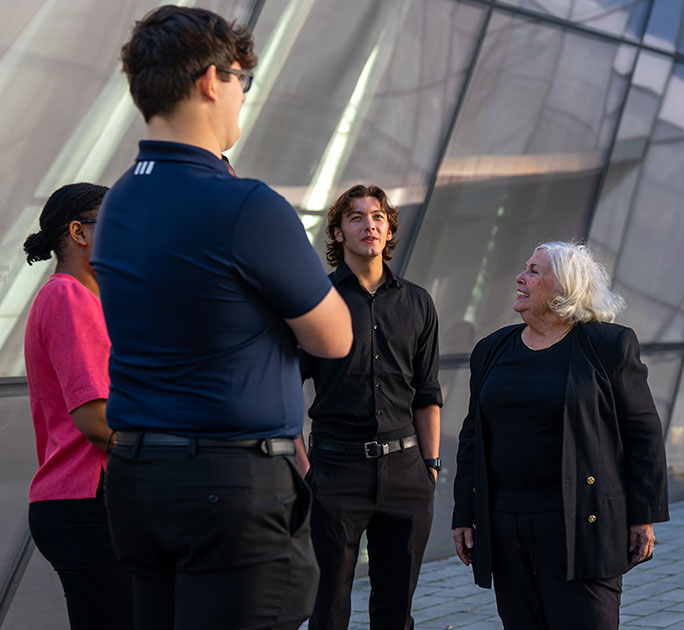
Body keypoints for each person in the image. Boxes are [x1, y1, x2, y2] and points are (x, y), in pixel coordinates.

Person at [92, 6, 352, 629]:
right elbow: (336, 336)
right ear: (213, 80)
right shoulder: (247, 206)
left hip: (137, 478)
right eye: (243, 81)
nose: (242, 98)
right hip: (229, 486)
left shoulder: (118, 200)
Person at [452, 241, 670, 630]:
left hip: (582, 524)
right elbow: (473, 437)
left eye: (534, 271)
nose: (521, 277)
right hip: (507, 523)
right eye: (525, 268)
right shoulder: (491, 349)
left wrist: (643, 515)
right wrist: (464, 515)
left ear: (565, 288)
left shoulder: (608, 346)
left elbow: (644, 434)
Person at [301, 184, 442, 630]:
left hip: (406, 471)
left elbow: (427, 391)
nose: (370, 225)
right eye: (357, 217)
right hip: (334, 471)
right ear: (339, 233)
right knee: (330, 607)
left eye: (378, 216)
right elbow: (285, 387)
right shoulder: (316, 303)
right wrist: (305, 469)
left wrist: (430, 466)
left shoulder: (418, 302)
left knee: (396, 609)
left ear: (389, 228)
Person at [23, 183, 133, 630]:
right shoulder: (69, 297)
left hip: (87, 502)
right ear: (78, 232)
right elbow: (95, 420)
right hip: (87, 500)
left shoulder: (86, 299)